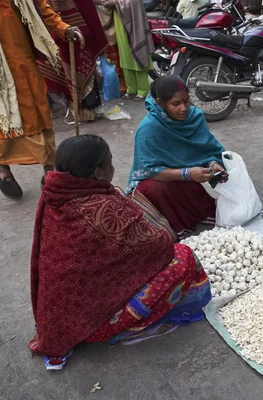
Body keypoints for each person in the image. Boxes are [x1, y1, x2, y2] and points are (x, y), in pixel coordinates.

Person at [30, 135, 212, 370]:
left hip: (59, 319)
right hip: (96, 322)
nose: (113, 167)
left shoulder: (54, 195)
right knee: (183, 257)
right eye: (110, 162)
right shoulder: (105, 209)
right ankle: (134, 324)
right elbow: (161, 246)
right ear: (99, 173)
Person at [0, 0, 83, 199]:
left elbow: (43, 7)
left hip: (24, 65)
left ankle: (50, 171)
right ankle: (2, 169)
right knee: (4, 120)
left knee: (39, 113)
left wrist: (64, 28)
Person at [127, 75, 228, 237]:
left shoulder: (195, 117)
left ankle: (202, 213)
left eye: (186, 101)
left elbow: (209, 150)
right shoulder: (149, 129)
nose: (184, 108)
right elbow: (147, 171)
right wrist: (187, 174)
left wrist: (213, 165)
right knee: (154, 189)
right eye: (176, 104)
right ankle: (176, 223)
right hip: (166, 182)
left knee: (226, 174)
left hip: (192, 179)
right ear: (160, 103)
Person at [40, 0, 108, 123]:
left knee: (83, 66)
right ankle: (79, 109)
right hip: (60, 30)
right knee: (69, 70)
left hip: (76, 27)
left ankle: (88, 111)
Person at [114, 0, 155, 100]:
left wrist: (114, 3)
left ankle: (143, 90)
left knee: (138, 55)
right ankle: (131, 89)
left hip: (134, 23)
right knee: (125, 57)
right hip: (119, 23)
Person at [95, 0, 127, 94]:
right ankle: (108, 84)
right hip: (99, 21)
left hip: (114, 23)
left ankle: (122, 84)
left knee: (116, 56)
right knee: (104, 58)